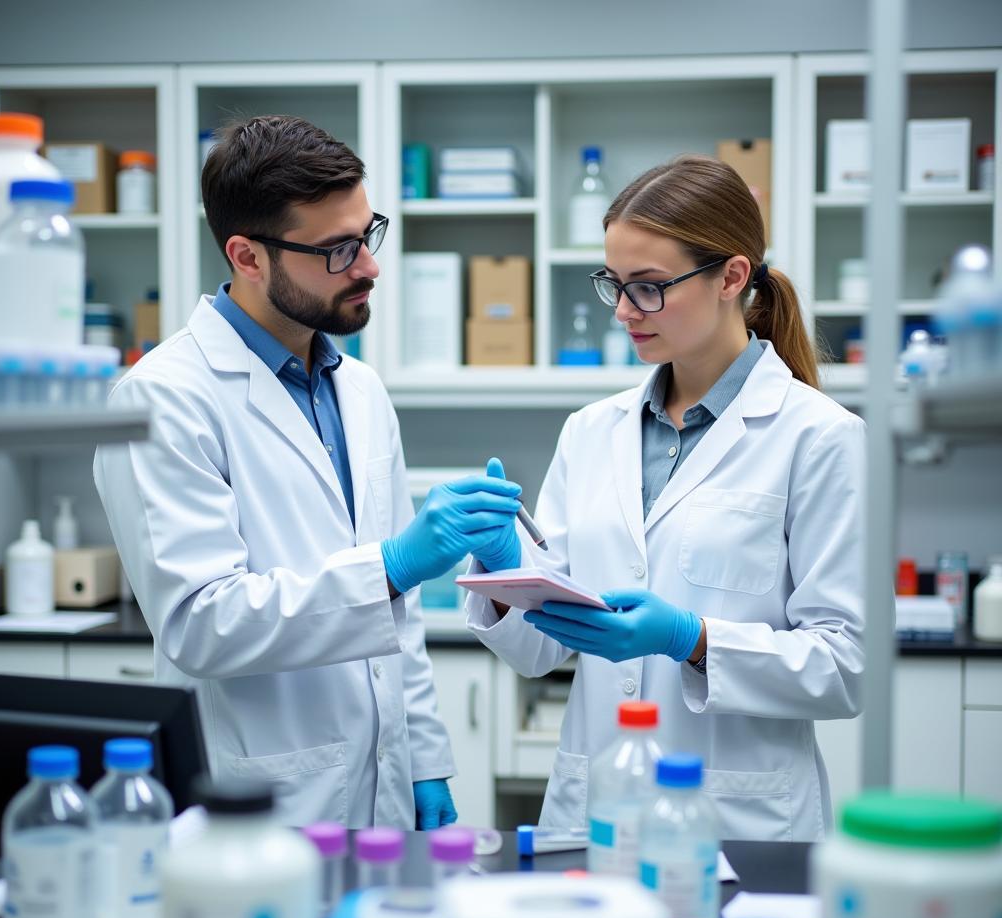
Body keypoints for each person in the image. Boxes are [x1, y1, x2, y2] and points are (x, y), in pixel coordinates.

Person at [94, 115, 522, 829]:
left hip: (384, 789)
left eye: (367, 232)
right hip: (264, 797)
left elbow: (398, 617)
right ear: (248, 256)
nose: (370, 266)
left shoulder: (360, 390)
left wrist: (426, 759)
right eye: (337, 250)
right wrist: (389, 565)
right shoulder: (163, 397)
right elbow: (202, 624)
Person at [466, 155, 865, 842]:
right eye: (614, 285)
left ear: (731, 278)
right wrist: (508, 574)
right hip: (593, 816)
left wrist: (695, 641)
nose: (624, 311)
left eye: (648, 288)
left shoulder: (821, 438)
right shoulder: (592, 431)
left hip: (738, 825)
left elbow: (846, 667)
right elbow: (538, 655)